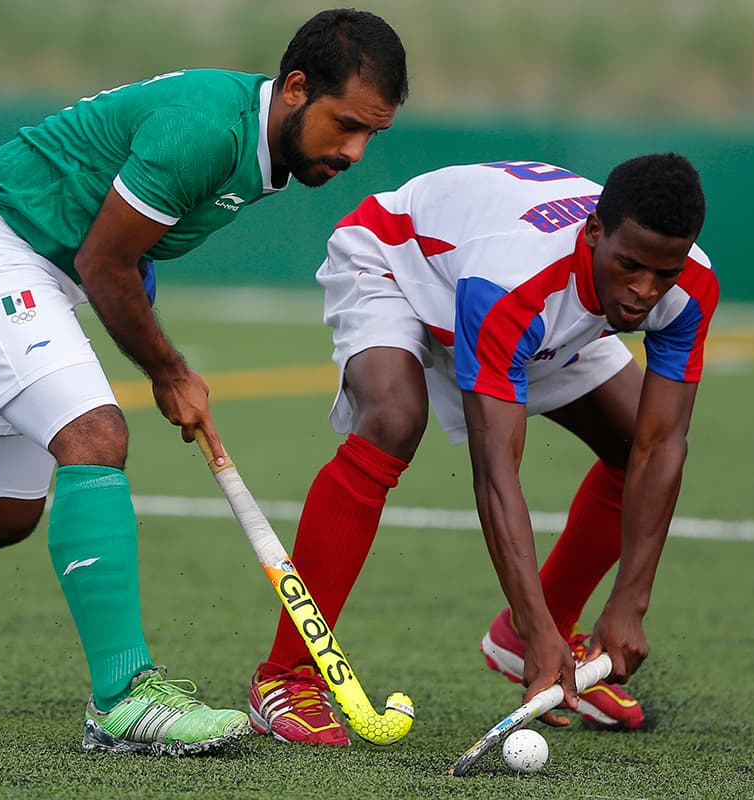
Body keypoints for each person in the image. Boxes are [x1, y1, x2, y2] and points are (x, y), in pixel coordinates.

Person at [0, 9, 407, 756]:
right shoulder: (208, 128)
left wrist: (158, 345)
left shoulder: (272, 148)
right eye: (347, 126)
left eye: (374, 135)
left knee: (0, 513)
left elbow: (134, 250)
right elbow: (103, 261)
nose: (356, 151)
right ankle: (123, 697)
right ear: (297, 88)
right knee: (95, 436)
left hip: (32, 265)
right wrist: (169, 372)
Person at [245, 154, 717, 746]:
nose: (645, 291)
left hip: (538, 306)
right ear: (595, 232)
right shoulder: (514, 279)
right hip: (403, 264)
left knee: (630, 442)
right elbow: (497, 472)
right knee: (393, 419)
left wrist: (629, 602)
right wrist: (532, 617)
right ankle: (286, 677)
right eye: (630, 266)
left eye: (663, 274)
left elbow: (662, 443)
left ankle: (530, 640)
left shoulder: (689, 283)